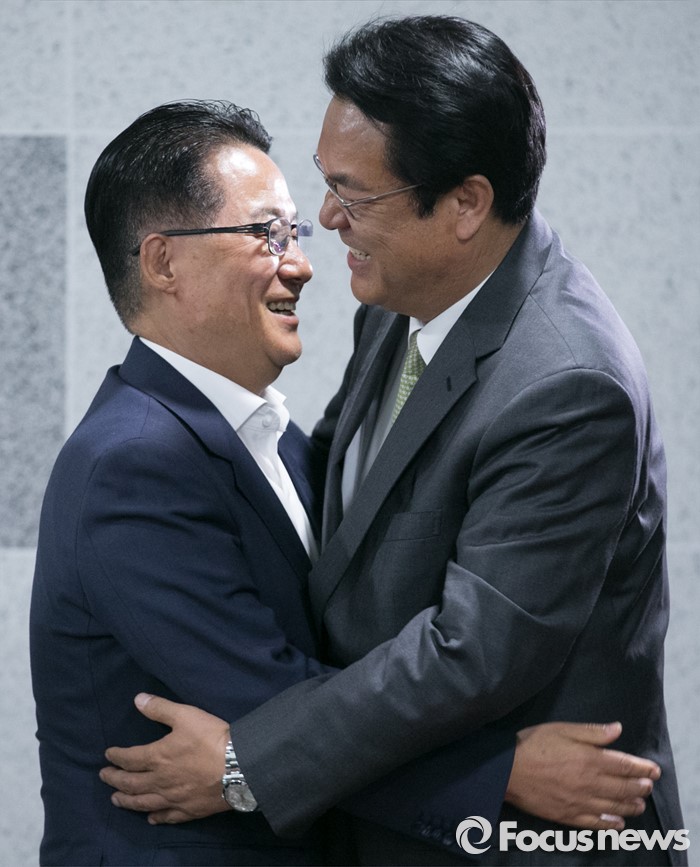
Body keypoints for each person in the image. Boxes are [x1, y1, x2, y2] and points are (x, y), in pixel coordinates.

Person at [99, 15, 687, 867]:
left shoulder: (567, 384)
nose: (326, 219)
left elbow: (467, 656)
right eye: (326, 182)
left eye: (357, 195)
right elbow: (342, 497)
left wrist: (244, 764)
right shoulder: (400, 302)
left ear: (465, 204)